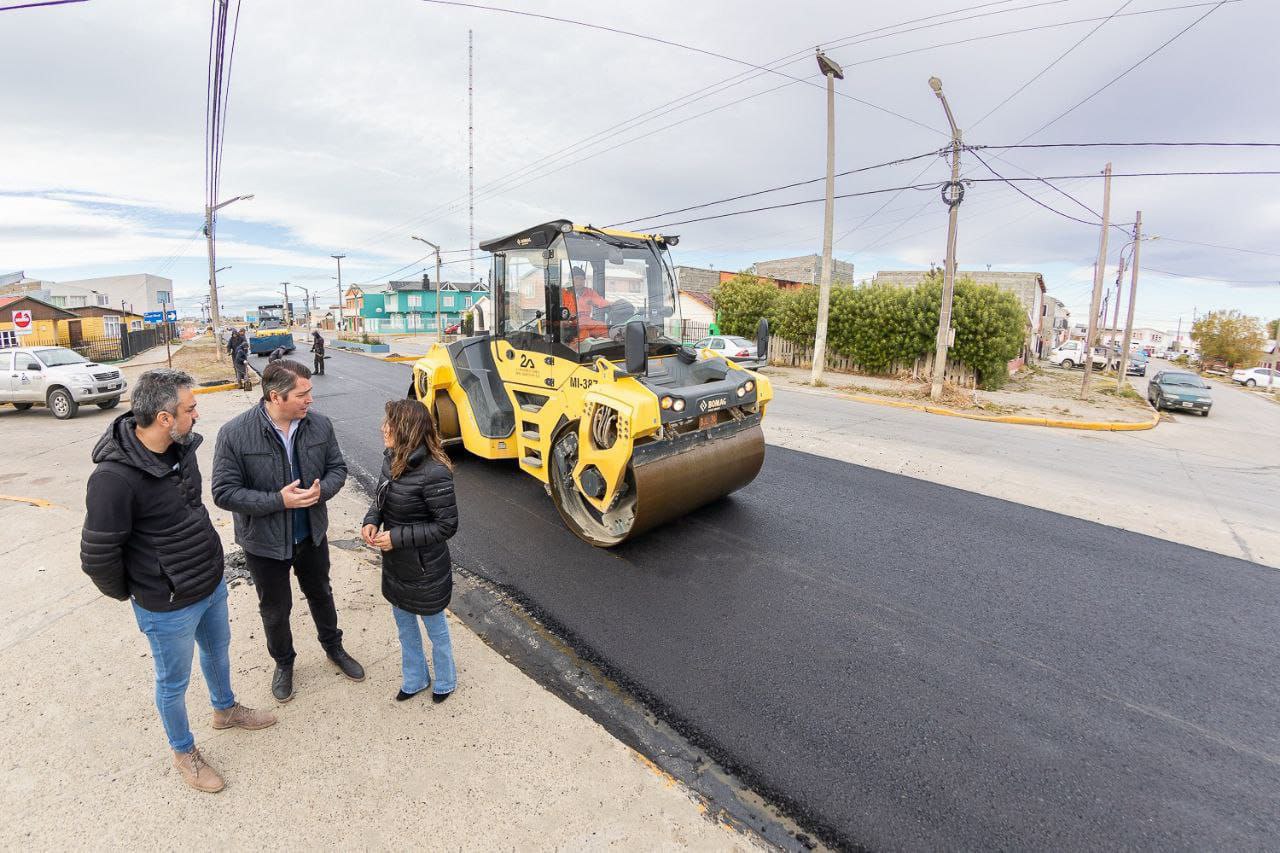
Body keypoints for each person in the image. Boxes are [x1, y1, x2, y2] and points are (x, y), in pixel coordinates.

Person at [80, 368, 276, 794]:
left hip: (209, 581)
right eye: (190, 408)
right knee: (173, 682)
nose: (197, 414)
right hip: (166, 602)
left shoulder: (181, 449)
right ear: (165, 418)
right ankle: (183, 751)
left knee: (218, 651)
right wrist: (143, 591)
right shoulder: (112, 480)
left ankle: (225, 709)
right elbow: (98, 557)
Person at [211, 359, 363, 702]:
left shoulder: (319, 426)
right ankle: (284, 663)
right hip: (263, 543)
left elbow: (337, 468)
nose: (310, 400)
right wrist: (278, 501)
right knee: (275, 610)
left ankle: (333, 648)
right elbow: (223, 492)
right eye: (302, 394)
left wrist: (321, 491)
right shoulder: (235, 433)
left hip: (311, 533)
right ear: (275, 396)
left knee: (321, 594)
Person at [363, 399, 459, 704]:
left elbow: (446, 526)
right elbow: (380, 498)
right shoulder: (391, 458)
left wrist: (397, 537)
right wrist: (370, 521)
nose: (383, 428)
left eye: (389, 423)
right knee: (405, 628)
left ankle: (445, 680)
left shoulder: (435, 473)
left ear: (406, 429)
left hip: (425, 569)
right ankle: (415, 678)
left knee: (436, 630)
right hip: (396, 565)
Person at [560, 266, 610, 347]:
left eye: (582, 279)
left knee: (603, 327)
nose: (579, 282)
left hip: (587, 320)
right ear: (571, 279)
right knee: (582, 334)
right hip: (571, 322)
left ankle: (603, 349)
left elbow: (601, 302)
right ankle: (577, 354)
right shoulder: (563, 292)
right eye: (577, 278)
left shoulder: (589, 292)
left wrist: (614, 304)